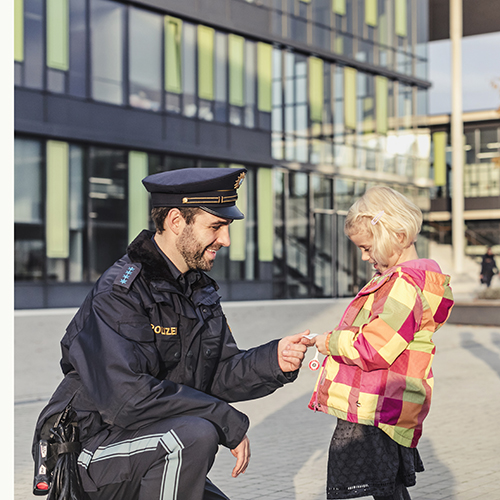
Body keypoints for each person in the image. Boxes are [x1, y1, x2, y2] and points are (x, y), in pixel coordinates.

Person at [32, 167, 310, 500]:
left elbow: (215, 376)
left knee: (193, 438)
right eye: (216, 226)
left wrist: (273, 360)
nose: (225, 240)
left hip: (142, 441)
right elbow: (127, 398)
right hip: (86, 451)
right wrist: (225, 419)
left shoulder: (196, 290)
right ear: (177, 221)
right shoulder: (121, 292)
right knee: (194, 436)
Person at [301, 186, 454, 500]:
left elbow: (375, 347)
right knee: (387, 489)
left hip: (377, 405)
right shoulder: (399, 281)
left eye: (367, 248)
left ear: (395, 236)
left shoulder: (403, 286)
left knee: (384, 489)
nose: (364, 256)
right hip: (380, 403)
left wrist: (326, 342)